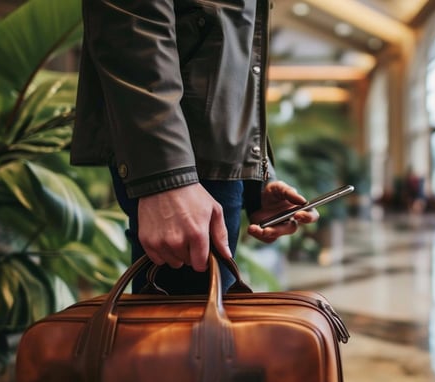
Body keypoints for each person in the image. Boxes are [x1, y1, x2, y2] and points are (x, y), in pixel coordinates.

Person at [70, 0, 318, 294]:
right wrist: (166, 177)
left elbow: (230, 54)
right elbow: (133, 18)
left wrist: (255, 179)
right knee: (185, 331)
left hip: (199, 161)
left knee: (200, 328)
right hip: (179, 158)